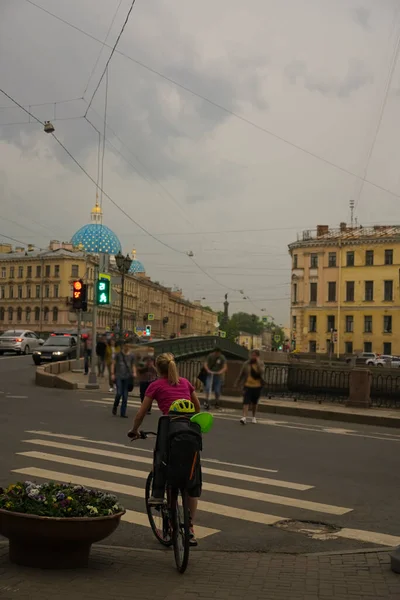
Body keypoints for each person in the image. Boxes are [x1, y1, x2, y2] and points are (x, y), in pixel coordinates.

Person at [128, 353, 201, 545]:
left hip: (168, 431)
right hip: (189, 433)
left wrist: (134, 430)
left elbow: (141, 412)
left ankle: (158, 495)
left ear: (157, 369)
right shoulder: (185, 383)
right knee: (190, 479)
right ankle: (190, 527)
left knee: (161, 462)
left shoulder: (156, 386)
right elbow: (197, 408)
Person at [236, 349, 265, 425]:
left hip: (257, 386)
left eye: (255, 355)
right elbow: (241, 373)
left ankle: (254, 417)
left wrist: (258, 363)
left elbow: (262, 371)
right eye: (252, 355)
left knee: (254, 403)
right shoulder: (246, 364)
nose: (253, 357)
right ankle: (244, 417)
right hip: (247, 385)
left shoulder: (260, 363)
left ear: (258, 356)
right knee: (246, 401)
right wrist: (238, 383)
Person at [112, 341, 136, 418]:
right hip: (119, 376)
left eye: (128, 346)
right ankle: (115, 405)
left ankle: (123, 413)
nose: (127, 347)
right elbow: (113, 364)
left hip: (127, 377)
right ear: (123, 346)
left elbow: (133, 365)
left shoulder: (132, 355)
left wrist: (134, 372)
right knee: (119, 393)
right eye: (126, 346)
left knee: (125, 396)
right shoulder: (118, 354)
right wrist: (112, 374)